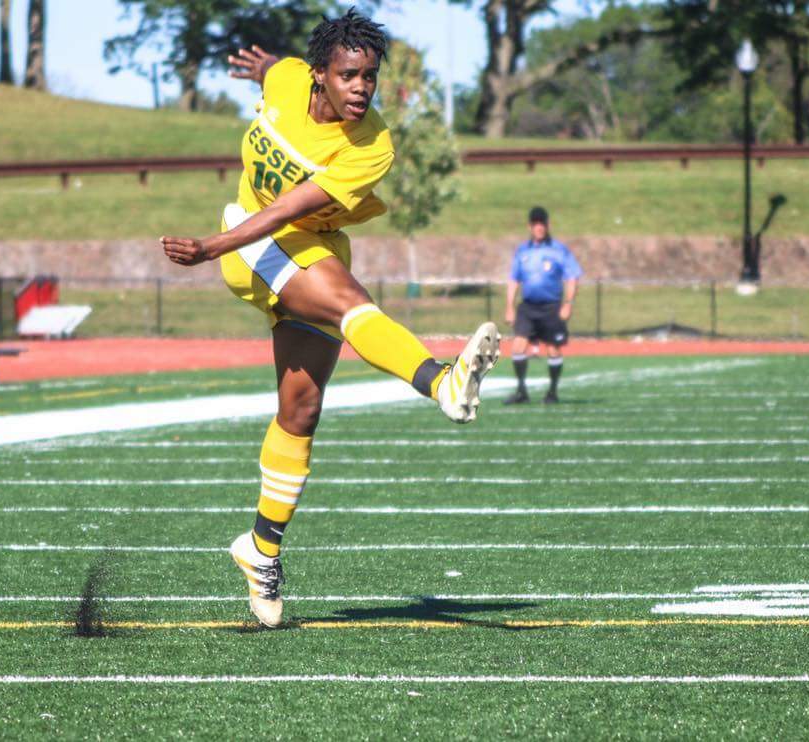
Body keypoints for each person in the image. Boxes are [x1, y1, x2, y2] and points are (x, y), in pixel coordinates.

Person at [160, 10, 499, 628]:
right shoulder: (291, 77)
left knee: (300, 410)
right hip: (253, 240)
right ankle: (440, 381)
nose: (362, 88)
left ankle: (259, 550)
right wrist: (219, 242)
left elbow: (298, 203)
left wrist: (212, 244)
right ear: (319, 75)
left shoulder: (373, 145)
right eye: (349, 75)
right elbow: (275, 76)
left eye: (370, 76)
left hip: (300, 246)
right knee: (349, 305)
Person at [503, 207, 581, 405]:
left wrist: (568, 304)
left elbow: (572, 278)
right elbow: (514, 280)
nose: (539, 227)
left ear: (547, 225)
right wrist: (509, 307)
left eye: (542, 223)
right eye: (535, 223)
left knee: (554, 350)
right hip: (528, 308)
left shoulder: (559, 250)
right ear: (530, 226)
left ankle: (552, 392)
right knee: (518, 347)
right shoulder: (523, 251)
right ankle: (522, 391)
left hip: (551, 307)